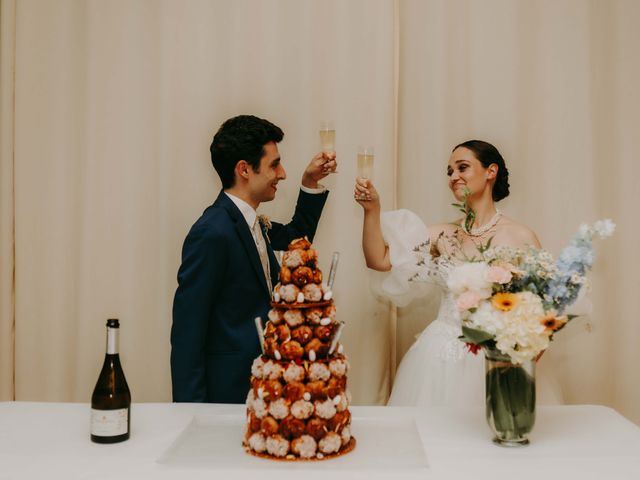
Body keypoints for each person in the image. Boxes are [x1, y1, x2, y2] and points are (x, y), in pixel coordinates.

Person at [354, 140, 562, 406]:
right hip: (439, 359)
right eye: (450, 172)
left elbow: (545, 316)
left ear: (491, 171)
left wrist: (515, 367)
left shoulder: (520, 236)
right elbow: (379, 259)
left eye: (462, 167)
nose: (454, 177)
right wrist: (371, 209)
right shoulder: (443, 235)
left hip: (495, 359)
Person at [171, 114, 336, 403]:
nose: (282, 173)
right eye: (274, 164)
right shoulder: (212, 233)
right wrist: (190, 414)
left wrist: (310, 181)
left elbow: (298, 236)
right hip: (227, 394)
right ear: (244, 169)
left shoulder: (251, 222)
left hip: (262, 387)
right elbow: (188, 334)